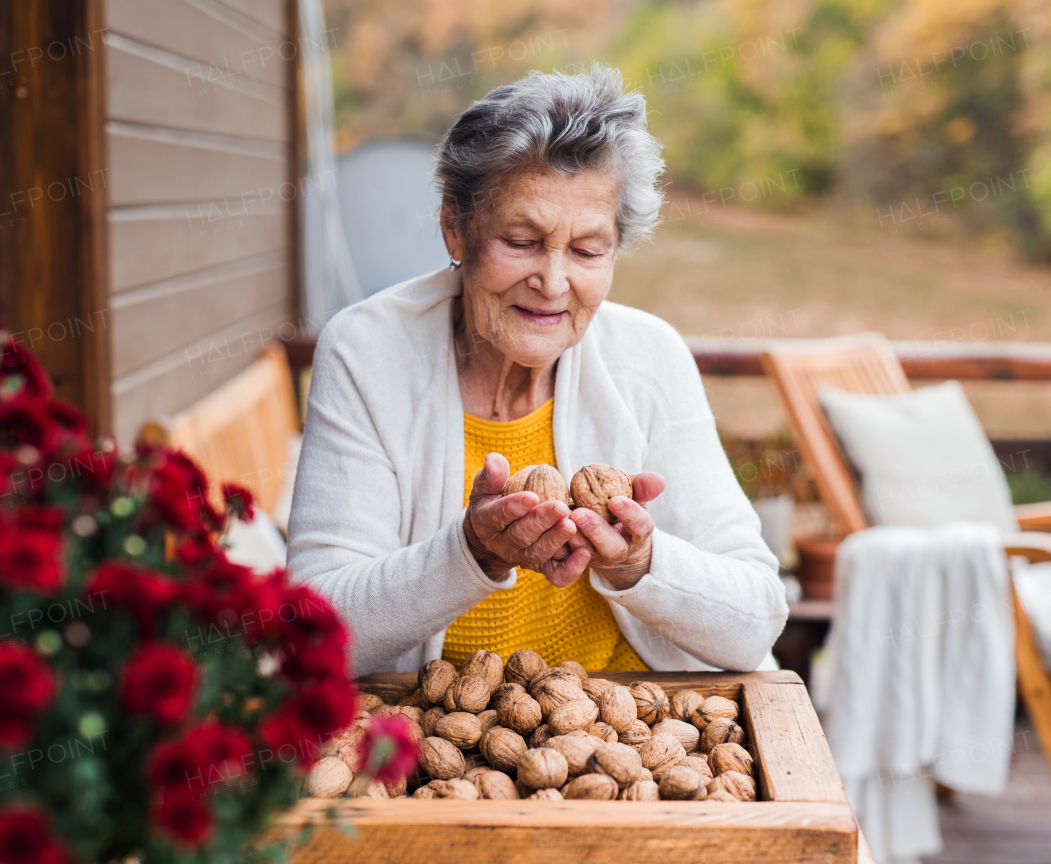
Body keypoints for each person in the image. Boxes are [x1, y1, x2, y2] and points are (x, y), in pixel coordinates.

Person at [287, 63, 786, 678]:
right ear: (456, 227)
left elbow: (757, 618)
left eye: (586, 250)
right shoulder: (367, 353)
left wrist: (641, 563)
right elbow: (312, 638)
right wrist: (471, 553)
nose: (552, 283)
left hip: (634, 730)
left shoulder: (650, 357)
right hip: (443, 732)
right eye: (521, 241)